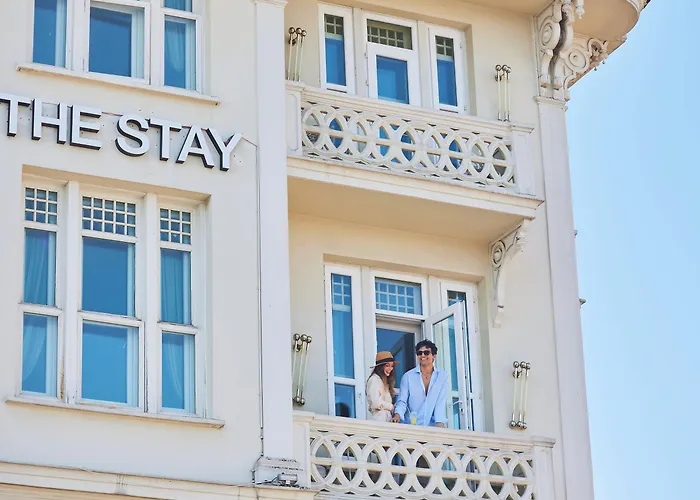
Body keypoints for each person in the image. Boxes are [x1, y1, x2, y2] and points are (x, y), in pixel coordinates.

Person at [392, 340, 448, 427]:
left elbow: (440, 402)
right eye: (419, 353)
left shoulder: (442, 376)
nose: (422, 355)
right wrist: (398, 414)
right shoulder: (408, 376)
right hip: (411, 426)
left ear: (434, 355)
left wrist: (439, 422)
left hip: (431, 427)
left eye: (426, 352)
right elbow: (402, 400)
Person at [366, 351, 398, 422]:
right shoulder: (374, 379)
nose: (390, 369)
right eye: (387, 365)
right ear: (380, 367)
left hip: (386, 419)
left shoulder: (385, 382)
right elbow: (375, 403)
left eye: (392, 366)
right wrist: (391, 407)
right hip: (379, 419)